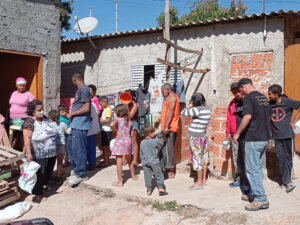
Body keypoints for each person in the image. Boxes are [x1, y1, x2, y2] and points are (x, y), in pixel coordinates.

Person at [233, 78, 271, 211]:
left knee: (252, 170)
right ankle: (254, 193)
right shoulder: (263, 98)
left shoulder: (249, 97)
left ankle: (261, 199)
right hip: (264, 138)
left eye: (240, 90)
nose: (241, 93)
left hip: (254, 138)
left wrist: (237, 133)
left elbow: (247, 116)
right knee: (257, 169)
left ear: (244, 86)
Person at [23, 100, 57, 203]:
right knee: (39, 174)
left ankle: (43, 186)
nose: (41, 111)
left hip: (51, 152)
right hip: (38, 153)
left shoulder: (45, 119)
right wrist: (28, 153)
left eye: (42, 109)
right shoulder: (29, 122)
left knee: (48, 171)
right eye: (39, 110)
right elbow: (27, 139)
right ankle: (38, 194)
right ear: (32, 111)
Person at [268, 84, 300, 193]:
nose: (268, 96)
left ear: (276, 94)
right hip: (277, 136)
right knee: (280, 158)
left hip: (287, 134)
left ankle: (288, 181)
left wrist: (294, 120)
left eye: (270, 94)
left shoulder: (287, 102)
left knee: (288, 158)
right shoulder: (270, 104)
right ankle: (285, 180)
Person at [181, 93, 211, 190]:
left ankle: (199, 183)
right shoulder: (207, 110)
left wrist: (189, 106)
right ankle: (204, 180)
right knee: (204, 159)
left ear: (195, 101)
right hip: (203, 136)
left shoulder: (197, 110)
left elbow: (183, 112)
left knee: (197, 159)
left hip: (196, 138)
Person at [67, 73, 91, 187]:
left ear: (74, 79)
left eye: (73, 81)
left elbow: (86, 107)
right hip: (75, 125)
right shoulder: (81, 90)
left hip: (80, 125)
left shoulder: (84, 90)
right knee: (72, 148)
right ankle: (77, 169)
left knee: (79, 150)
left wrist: (72, 113)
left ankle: (82, 174)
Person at [226, 82, 250, 192]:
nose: (236, 94)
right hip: (234, 136)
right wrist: (228, 133)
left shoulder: (247, 101)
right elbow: (229, 119)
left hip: (246, 135)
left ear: (241, 89)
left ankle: (246, 182)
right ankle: (239, 179)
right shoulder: (232, 104)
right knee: (237, 159)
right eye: (233, 92)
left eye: (237, 91)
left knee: (246, 160)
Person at [110, 104, 137, 186]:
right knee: (129, 159)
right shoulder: (130, 121)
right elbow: (131, 133)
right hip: (128, 140)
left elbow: (111, 125)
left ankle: (120, 181)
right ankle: (133, 176)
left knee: (119, 161)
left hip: (120, 141)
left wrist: (116, 132)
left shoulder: (118, 119)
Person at [140, 125, 168, 196]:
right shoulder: (154, 141)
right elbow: (161, 143)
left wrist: (142, 161)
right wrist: (159, 138)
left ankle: (149, 190)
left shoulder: (142, 142)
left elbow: (141, 153)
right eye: (153, 133)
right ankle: (161, 188)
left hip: (145, 162)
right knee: (159, 175)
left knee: (147, 176)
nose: (154, 134)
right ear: (150, 134)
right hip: (154, 162)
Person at [160, 83, 180, 178]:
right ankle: (166, 169)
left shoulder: (172, 97)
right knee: (165, 148)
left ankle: (171, 171)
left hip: (170, 127)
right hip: (167, 126)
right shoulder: (170, 97)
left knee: (168, 149)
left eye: (163, 91)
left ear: (167, 90)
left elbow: (171, 112)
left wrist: (166, 126)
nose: (162, 93)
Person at [9, 77, 34, 146]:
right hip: (13, 118)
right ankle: (11, 151)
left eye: (23, 86)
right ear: (16, 85)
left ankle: (25, 153)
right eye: (20, 85)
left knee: (24, 136)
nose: (22, 87)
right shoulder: (13, 93)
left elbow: (33, 106)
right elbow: (11, 104)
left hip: (24, 118)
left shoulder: (29, 95)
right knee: (12, 136)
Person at [99, 96, 112, 167]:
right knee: (106, 146)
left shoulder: (107, 110)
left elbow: (107, 120)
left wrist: (100, 120)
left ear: (104, 102)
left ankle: (106, 162)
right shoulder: (106, 109)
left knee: (105, 147)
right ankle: (107, 161)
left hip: (106, 130)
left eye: (101, 104)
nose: (100, 106)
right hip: (106, 130)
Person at [87, 102, 100, 170]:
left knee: (89, 148)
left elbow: (90, 117)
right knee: (91, 148)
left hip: (89, 130)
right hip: (92, 130)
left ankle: (91, 164)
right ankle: (92, 164)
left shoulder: (89, 104)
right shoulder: (92, 104)